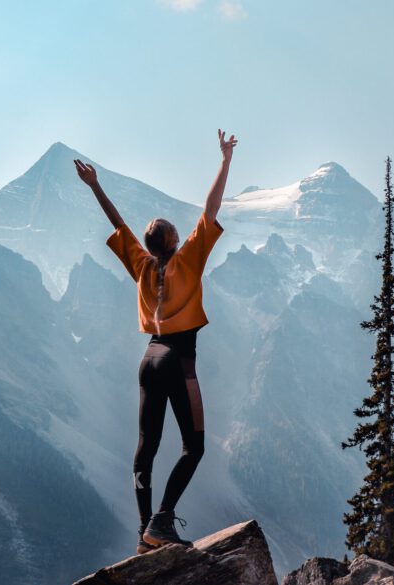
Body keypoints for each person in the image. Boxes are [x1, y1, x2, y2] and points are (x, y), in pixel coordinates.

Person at [74, 129, 238, 554]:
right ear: (174, 241)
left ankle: (144, 534)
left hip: (148, 358)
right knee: (194, 446)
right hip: (179, 360)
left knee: (146, 446)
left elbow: (118, 224)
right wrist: (224, 161)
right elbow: (212, 206)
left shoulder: (142, 267)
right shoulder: (188, 260)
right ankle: (162, 521)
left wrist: (96, 186)